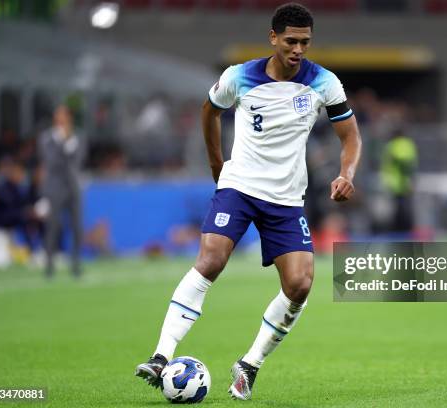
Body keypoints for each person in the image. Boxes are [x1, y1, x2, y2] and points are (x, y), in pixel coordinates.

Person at [135, 3, 362, 401]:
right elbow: (209, 112)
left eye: (305, 42)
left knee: (300, 284)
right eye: (291, 41)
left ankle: (250, 364)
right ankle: (160, 356)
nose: (298, 49)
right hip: (239, 187)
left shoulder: (324, 83)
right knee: (210, 261)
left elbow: (351, 138)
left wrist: (347, 175)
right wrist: (215, 163)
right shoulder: (239, 77)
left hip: (286, 199)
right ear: (273, 37)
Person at [38, 105, 86, 278]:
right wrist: (64, 144)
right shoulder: (48, 138)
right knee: (52, 227)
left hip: (73, 187)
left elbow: (79, 159)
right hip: (55, 187)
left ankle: (75, 264)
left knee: (77, 227)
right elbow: (51, 161)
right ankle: (49, 265)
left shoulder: (78, 136)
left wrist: (67, 146)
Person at [381, 128, 418, 232]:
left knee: (398, 210)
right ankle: (405, 231)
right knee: (404, 209)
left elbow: (399, 162)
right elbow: (410, 164)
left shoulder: (392, 145)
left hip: (396, 183)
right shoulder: (408, 144)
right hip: (404, 183)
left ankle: (398, 231)